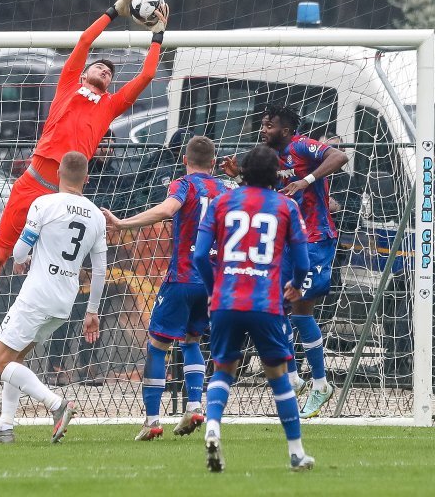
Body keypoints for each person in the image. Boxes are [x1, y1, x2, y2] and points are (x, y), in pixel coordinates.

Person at [0, 0, 169, 351]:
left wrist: (159, 32)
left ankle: (36, 338)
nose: (105, 68)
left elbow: (149, 72)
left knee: (52, 269)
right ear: (85, 72)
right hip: (30, 185)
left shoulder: (111, 106)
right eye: (99, 66)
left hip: (62, 199)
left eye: (110, 70)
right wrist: (114, 12)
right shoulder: (67, 86)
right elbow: (86, 40)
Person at [221, 104, 348, 418]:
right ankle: (294, 377)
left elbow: (339, 157)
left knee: (301, 310)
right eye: (263, 124)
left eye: (270, 125)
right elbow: (262, 194)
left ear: (287, 130)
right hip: (289, 241)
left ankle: (320, 384)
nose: (264, 129)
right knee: (277, 307)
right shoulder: (270, 160)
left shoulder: (300, 145)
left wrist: (306, 181)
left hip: (316, 238)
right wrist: (239, 177)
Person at [193, 144, 314, 472]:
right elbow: (302, 262)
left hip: (226, 300)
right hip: (265, 302)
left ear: (242, 171)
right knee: (277, 376)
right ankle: (296, 452)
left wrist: (212, 288)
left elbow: (200, 256)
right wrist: (298, 285)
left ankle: (214, 427)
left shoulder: (220, 202)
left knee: (223, 370)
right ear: (276, 174)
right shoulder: (286, 206)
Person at [103, 136, 229, 440]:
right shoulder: (225, 190)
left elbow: (165, 210)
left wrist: (122, 223)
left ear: (185, 160)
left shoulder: (182, 185)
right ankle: (194, 405)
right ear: (213, 163)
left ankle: (152, 420)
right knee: (192, 341)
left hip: (183, 277)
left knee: (157, 346)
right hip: (212, 280)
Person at [0, 152, 107, 443]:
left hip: (37, 294)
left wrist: (22, 259)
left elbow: (20, 253)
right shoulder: (97, 216)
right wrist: (91, 311)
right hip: (65, 301)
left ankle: (56, 405)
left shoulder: (44, 203)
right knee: (16, 359)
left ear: (58, 173)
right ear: (87, 178)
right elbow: (99, 270)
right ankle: (5, 427)